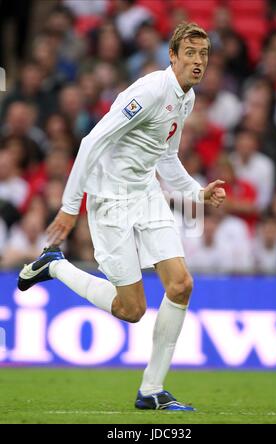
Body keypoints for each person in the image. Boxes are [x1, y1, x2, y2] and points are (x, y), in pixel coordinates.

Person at [18, 23, 226, 411]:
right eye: (191, 53)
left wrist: (196, 193)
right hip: (109, 198)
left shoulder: (187, 98)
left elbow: (165, 155)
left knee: (180, 285)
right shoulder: (150, 91)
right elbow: (91, 141)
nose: (199, 61)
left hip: (146, 193)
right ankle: (55, 266)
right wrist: (69, 206)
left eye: (204, 54)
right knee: (131, 310)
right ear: (173, 55)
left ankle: (151, 391)